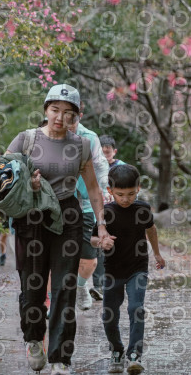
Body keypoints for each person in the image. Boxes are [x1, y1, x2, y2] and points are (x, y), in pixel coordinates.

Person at [6, 84, 110, 375]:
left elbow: (93, 188)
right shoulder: (25, 140)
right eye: (55, 110)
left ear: (76, 116)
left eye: (68, 113)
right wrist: (27, 183)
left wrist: (102, 225)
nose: (60, 118)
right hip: (31, 218)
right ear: (45, 110)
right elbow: (2, 176)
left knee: (65, 287)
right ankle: (33, 339)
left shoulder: (81, 145)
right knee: (33, 287)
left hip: (67, 217)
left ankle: (61, 358)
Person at [90, 163, 165, 374]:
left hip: (137, 268)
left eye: (131, 194)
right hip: (112, 270)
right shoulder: (106, 212)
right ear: (110, 191)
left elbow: (151, 229)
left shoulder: (142, 209)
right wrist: (101, 242)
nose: (125, 199)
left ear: (138, 188)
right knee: (109, 315)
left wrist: (157, 253)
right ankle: (116, 350)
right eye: (120, 194)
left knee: (136, 308)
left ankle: (134, 355)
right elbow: (92, 238)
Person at [67, 101, 109, 311]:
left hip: (84, 205)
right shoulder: (47, 134)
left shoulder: (89, 138)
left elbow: (101, 167)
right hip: (56, 206)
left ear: (80, 116)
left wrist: (105, 189)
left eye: (72, 116)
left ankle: (81, 286)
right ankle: (52, 303)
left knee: (89, 260)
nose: (67, 121)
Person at [91, 135, 124, 300]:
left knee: (116, 246)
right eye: (102, 152)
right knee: (100, 245)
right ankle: (98, 286)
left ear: (114, 151)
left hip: (117, 212)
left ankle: (115, 283)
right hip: (98, 211)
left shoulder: (122, 168)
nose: (105, 156)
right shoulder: (94, 166)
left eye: (108, 152)